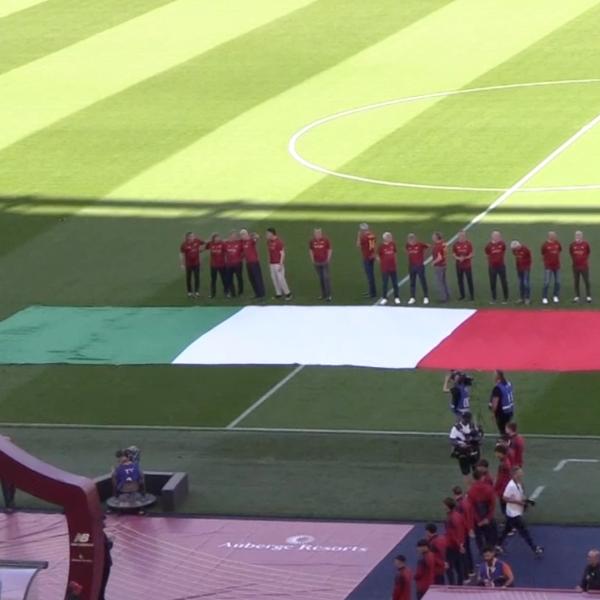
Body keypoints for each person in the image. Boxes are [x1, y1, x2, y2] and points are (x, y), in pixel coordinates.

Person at [497, 467, 543, 556]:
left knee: (506, 530)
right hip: (513, 513)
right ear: (515, 475)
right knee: (524, 531)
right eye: (520, 473)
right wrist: (518, 502)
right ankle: (534, 548)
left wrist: (528, 501)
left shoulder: (518, 483)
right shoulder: (511, 486)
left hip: (515, 512)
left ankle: (497, 545)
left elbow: (520, 495)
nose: (522, 474)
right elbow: (504, 498)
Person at [468, 470, 498, 550]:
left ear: (474, 478)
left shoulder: (471, 491)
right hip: (487, 517)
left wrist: (478, 521)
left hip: (477, 519)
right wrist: (487, 518)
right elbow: (492, 505)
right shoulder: (489, 489)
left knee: (479, 538)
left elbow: (471, 507)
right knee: (490, 536)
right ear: (482, 477)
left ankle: (482, 553)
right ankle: (491, 552)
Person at [450, 412, 483, 483]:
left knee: (477, 469)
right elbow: (452, 440)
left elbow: (478, 437)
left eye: (468, 419)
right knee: (466, 472)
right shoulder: (456, 428)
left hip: (473, 450)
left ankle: (477, 486)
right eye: (466, 419)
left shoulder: (473, 426)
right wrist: (460, 444)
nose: (467, 421)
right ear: (462, 418)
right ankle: (469, 489)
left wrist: (476, 439)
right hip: (463, 451)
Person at [452, 487, 475, 580]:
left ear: (454, 494)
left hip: (462, 532)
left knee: (463, 553)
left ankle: (467, 572)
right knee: (468, 551)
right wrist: (470, 529)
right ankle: (471, 570)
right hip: (467, 530)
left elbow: (461, 520)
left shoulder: (459, 505)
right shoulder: (466, 502)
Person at [443, 498, 465, 585]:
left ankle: (452, 586)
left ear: (448, 507)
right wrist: (461, 544)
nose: (443, 507)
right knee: (459, 567)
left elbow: (452, 534)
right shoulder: (458, 515)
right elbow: (462, 530)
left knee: (449, 568)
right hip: (458, 544)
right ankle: (460, 585)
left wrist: (459, 545)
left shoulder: (449, 519)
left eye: (444, 506)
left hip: (451, 546)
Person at [266, 228, 292, 300]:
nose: (266, 235)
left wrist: (281, 263)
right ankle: (278, 293)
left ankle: (288, 293)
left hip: (278, 263)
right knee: (274, 279)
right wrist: (269, 262)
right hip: (272, 263)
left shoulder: (279, 242)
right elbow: (269, 252)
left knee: (281, 279)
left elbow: (282, 253)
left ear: (271, 233)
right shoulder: (268, 242)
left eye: (268, 233)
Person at [240, 229, 265, 299]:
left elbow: (257, 237)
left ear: (246, 234)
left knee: (257, 278)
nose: (242, 236)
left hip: (254, 262)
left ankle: (261, 293)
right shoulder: (243, 242)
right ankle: (257, 293)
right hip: (248, 263)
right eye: (241, 235)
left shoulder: (251, 240)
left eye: (243, 234)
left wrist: (253, 235)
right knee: (251, 279)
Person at [485, 230, 508, 304]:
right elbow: (487, 254)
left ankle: (505, 298)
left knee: (504, 282)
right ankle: (494, 298)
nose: (497, 237)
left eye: (498, 236)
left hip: (501, 266)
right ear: (492, 236)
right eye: (495, 236)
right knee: (492, 283)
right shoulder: (488, 246)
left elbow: (504, 250)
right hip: (492, 267)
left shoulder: (502, 244)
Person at [406, 233, 430, 305]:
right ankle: (412, 297)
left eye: (412, 239)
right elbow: (408, 252)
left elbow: (428, 246)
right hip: (411, 266)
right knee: (412, 282)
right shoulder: (408, 246)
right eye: (409, 239)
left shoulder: (420, 244)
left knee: (422, 281)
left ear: (415, 239)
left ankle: (426, 297)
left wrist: (423, 256)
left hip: (419, 266)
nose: (411, 241)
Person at [377, 232, 401, 305]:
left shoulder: (392, 244)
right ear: (385, 238)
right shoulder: (381, 246)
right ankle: (384, 298)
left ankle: (396, 297)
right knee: (385, 283)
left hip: (393, 267)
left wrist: (395, 261)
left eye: (390, 236)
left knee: (395, 283)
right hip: (385, 268)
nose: (391, 238)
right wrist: (381, 262)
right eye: (389, 237)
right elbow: (377, 255)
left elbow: (395, 253)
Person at [309, 228, 332, 302]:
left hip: (324, 262)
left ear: (321, 234)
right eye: (315, 233)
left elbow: (329, 249)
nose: (316, 235)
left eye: (318, 233)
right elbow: (311, 250)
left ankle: (328, 295)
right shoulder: (312, 241)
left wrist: (328, 258)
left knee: (326, 278)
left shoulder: (325, 240)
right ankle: (323, 294)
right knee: (321, 279)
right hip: (317, 262)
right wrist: (312, 259)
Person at [489, 370, 514, 435]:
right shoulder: (509, 383)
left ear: (498, 376)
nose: (493, 376)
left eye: (494, 375)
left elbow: (495, 404)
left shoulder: (497, 388)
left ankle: (507, 443)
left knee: (503, 432)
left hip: (502, 414)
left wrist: (493, 414)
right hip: (510, 411)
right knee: (508, 429)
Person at [179, 232, 204, 298]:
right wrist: (182, 264)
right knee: (188, 278)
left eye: (194, 236)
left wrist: (201, 249)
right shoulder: (184, 244)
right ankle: (189, 292)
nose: (193, 237)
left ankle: (197, 291)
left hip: (196, 263)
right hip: (189, 264)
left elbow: (204, 243)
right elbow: (181, 254)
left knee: (196, 277)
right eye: (192, 236)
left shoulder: (197, 241)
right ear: (188, 237)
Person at [570, 230, 592, 303]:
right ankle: (577, 296)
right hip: (575, 266)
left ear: (582, 236)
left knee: (586, 281)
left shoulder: (585, 244)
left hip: (584, 266)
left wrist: (584, 259)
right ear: (575, 236)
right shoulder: (572, 245)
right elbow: (571, 252)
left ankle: (588, 296)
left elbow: (588, 252)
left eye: (579, 235)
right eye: (577, 235)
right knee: (576, 281)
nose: (578, 236)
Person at [453, 230, 474, 301]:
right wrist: (459, 258)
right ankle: (462, 295)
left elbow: (471, 254)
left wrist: (465, 258)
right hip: (459, 265)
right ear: (458, 236)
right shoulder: (455, 244)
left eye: (462, 235)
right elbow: (454, 254)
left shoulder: (468, 243)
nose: (461, 237)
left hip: (467, 265)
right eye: (460, 236)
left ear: (465, 236)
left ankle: (472, 295)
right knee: (460, 281)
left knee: (469, 280)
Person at [357, 223, 377, 299]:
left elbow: (358, 245)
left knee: (369, 275)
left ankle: (372, 293)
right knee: (371, 274)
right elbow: (373, 245)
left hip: (366, 257)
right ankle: (372, 291)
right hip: (371, 256)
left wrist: (358, 236)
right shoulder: (372, 235)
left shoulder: (363, 237)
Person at [541, 231, 562, 304]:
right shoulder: (545, 245)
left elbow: (559, 250)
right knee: (546, 282)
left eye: (555, 235)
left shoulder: (557, 243)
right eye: (553, 236)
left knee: (558, 282)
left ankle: (555, 296)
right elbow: (543, 252)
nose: (554, 237)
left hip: (557, 266)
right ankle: (544, 297)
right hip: (548, 266)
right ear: (549, 236)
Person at [510, 240, 532, 304]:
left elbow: (530, 258)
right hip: (519, 269)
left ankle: (527, 298)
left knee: (526, 283)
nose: (514, 250)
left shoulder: (525, 250)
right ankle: (522, 298)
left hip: (526, 269)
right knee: (520, 284)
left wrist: (527, 267)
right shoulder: (514, 251)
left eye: (515, 248)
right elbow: (516, 257)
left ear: (518, 246)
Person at [206, 233, 227, 299]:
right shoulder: (211, 244)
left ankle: (226, 292)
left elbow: (226, 251)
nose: (218, 239)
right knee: (213, 280)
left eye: (218, 237)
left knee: (224, 279)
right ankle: (213, 294)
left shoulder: (222, 244)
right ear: (213, 238)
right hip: (213, 265)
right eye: (216, 238)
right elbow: (206, 247)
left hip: (222, 264)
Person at [224, 230, 244, 297]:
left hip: (238, 264)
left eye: (235, 236)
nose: (233, 237)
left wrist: (241, 257)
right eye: (232, 236)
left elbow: (244, 251)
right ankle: (232, 292)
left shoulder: (239, 243)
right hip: (229, 264)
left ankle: (240, 291)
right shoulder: (226, 244)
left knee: (239, 277)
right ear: (229, 236)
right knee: (229, 278)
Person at [494, 445, 513, 515]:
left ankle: (510, 523)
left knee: (504, 507)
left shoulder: (504, 464)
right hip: (505, 487)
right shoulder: (505, 461)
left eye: (497, 453)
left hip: (503, 488)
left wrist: (495, 487)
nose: (496, 454)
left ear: (501, 453)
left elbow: (501, 478)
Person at [432, 232, 450, 302]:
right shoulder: (443, 244)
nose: (432, 237)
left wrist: (433, 262)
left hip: (439, 266)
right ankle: (447, 295)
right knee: (444, 281)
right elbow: (445, 252)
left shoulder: (437, 246)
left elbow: (439, 257)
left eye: (433, 236)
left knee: (440, 282)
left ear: (436, 238)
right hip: (444, 264)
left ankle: (443, 297)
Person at [99, 530, 113, 600]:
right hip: (104, 564)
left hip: (104, 564)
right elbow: (105, 546)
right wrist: (110, 542)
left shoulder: (100, 533)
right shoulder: (99, 533)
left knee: (100, 590)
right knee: (100, 590)